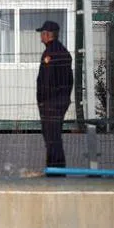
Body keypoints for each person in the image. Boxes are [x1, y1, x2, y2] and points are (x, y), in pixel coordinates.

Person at [36, 19, 73, 169]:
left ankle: (56, 170)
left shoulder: (51, 53)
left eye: (42, 33)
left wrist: (43, 101)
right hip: (60, 100)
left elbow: (47, 80)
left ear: (48, 34)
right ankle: (54, 168)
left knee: (52, 138)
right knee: (54, 137)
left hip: (52, 103)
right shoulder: (62, 50)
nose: (40, 37)